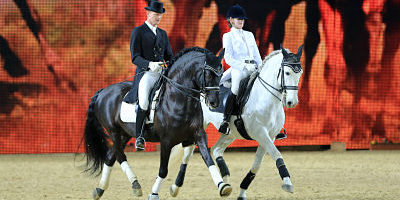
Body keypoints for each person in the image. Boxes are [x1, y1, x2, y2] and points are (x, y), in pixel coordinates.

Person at [124, 0, 173, 151]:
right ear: (148, 13)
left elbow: (169, 56)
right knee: (144, 100)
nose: (159, 17)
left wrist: (169, 65)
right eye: (156, 14)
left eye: (160, 15)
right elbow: (135, 57)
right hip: (146, 73)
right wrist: (149, 64)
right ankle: (139, 136)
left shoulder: (163, 34)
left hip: (161, 73)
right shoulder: (138, 32)